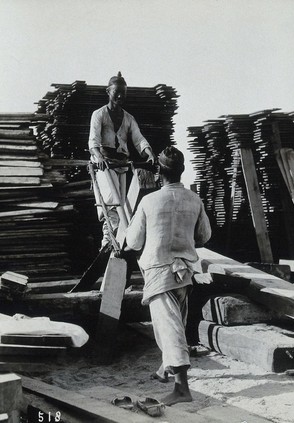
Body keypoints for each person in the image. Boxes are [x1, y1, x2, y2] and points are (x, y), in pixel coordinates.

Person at [125, 146, 211, 406]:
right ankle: (166, 369)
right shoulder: (194, 200)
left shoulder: (149, 201)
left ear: (158, 172)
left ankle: (182, 389)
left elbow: (134, 240)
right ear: (181, 171)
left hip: (159, 269)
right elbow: (204, 236)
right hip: (183, 270)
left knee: (169, 326)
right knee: (177, 324)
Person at [88, 71, 155, 251]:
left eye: (123, 93)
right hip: (104, 165)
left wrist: (148, 153)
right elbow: (93, 141)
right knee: (110, 202)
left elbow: (138, 139)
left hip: (122, 165)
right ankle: (108, 240)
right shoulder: (99, 115)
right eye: (116, 92)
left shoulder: (128, 118)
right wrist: (99, 157)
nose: (120, 96)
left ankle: (120, 241)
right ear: (108, 92)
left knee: (124, 206)